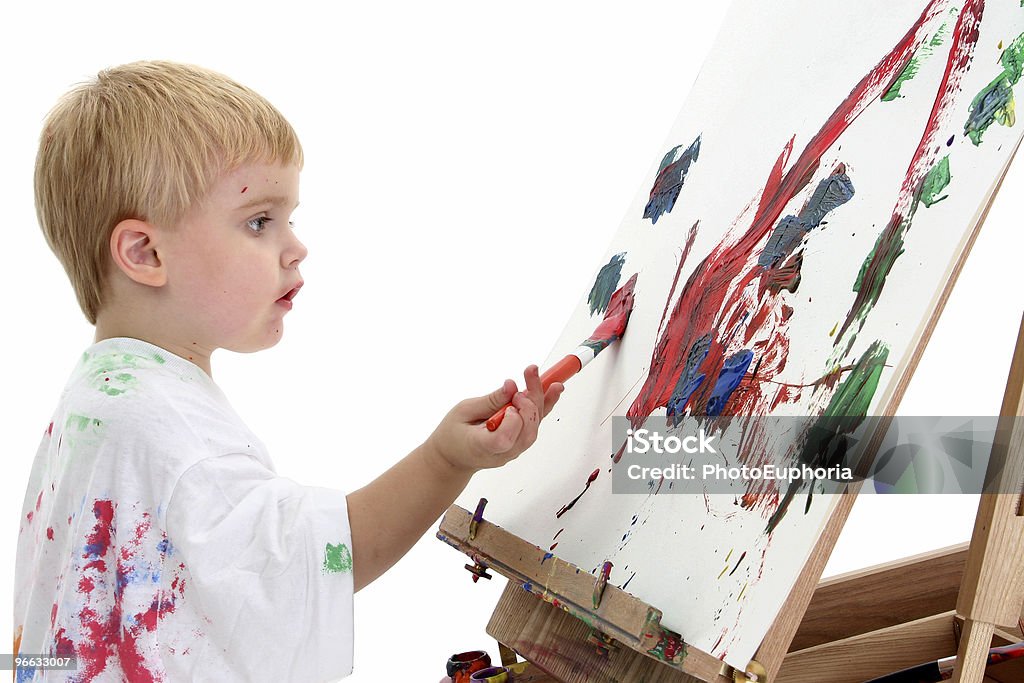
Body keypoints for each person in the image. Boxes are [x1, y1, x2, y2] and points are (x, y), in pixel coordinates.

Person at [14, 60, 563, 682]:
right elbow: (313, 563)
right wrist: (447, 459)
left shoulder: (98, 398)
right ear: (146, 253)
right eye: (258, 222)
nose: (296, 246)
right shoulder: (166, 429)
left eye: (289, 218)